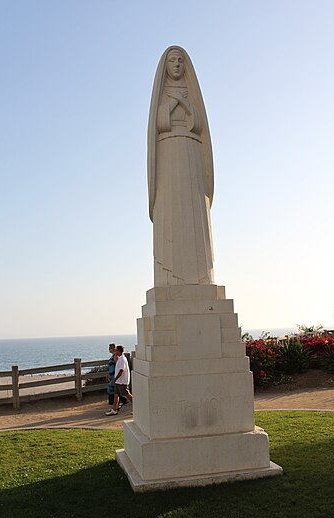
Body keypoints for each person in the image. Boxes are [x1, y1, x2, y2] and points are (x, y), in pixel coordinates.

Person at [148, 46, 214, 286]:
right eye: (172, 61)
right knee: (171, 211)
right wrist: (175, 103)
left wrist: (185, 105)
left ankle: (200, 276)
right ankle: (171, 273)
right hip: (168, 154)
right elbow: (160, 123)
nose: (176, 64)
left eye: (180, 61)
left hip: (191, 155)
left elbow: (198, 124)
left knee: (194, 214)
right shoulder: (161, 95)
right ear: (165, 66)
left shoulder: (191, 94)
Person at [105, 345, 132, 416]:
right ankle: (114, 409)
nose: (115, 351)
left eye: (116, 350)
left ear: (119, 351)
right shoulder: (120, 358)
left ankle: (138, 407)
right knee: (116, 395)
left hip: (122, 381)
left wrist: (115, 379)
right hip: (118, 381)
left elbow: (121, 370)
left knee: (127, 394)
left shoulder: (122, 359)